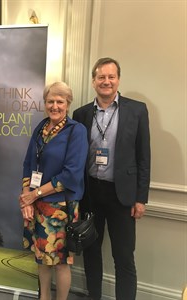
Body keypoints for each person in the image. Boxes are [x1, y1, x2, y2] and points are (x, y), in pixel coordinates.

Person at [73, 57, 150, 300]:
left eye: (111, 77)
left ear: (118, 79)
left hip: (122, 195)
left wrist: (140, 199)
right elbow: (76, 159)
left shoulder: (137, 110)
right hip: (91, 194)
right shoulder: (81, 113)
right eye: (101, 77)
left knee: (124, 257)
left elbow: (143, 157)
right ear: (94, 81)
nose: (106, 81)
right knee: (92, 252)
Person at [20, 82, 88, 300]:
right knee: (41, 257)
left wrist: (34, 194)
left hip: (60, 207)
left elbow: (71, 175)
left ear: (68, 104)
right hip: (37, 204)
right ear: (45, 103)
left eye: (60, 101)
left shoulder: (76, 131)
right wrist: (26, 199)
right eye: (51, 101)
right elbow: (28, 163)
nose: (55, 106)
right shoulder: (41, 127)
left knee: (60, 262)